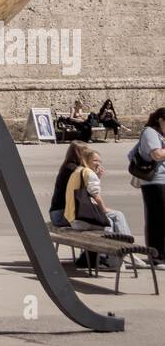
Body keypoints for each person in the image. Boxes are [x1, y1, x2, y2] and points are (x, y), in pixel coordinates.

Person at [65, 150, 132, 239]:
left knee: (114, 217)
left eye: (99, 161)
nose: (98, 164)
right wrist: (104, 209)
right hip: (81, 220)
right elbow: (96, 196)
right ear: (86, 160)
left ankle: (119, 246)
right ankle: (124, 246)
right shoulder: (89, 173)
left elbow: (88, 190)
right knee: (114, 219)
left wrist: (97, 177)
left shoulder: (78, 171)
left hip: (72, 218)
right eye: (95, 161)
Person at [135, 107, 165, 265]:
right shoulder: (150, 133)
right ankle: (157, 257)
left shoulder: (160, 134)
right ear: (160, 120)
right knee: (157, 219)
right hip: (155, 182)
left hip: (162, 181)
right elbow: (157, 154)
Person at [49, 142, 92, 226]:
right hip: (62, 215)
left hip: (58, 213)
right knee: (109, 220)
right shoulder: (74, 170)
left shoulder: (68, 166)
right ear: (80, 154)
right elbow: (87, 193)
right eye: (87, 153)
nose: (89, 156)